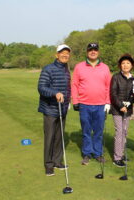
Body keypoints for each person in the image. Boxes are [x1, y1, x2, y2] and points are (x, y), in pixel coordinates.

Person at [71, 43, 111, 165]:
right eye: (90, 50)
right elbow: (74, 84)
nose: (93, 52)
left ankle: (98, 153)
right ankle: (87, 153)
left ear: (98, 52)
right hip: (84, 104)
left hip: (100, 105)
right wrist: (75, 101)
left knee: (98, 131)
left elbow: (109, 86)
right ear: (87, 52)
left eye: (95, 50)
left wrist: (108, 102)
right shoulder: (79, 67)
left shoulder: (105, 67)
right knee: (86, 131)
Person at [38, 44, 71, 176]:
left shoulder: (66, 69)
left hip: (62, 109)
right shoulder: (48, 69)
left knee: (59, 137)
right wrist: (55, 93)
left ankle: (57, 161)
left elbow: (67, 88)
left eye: (67, 53)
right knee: (50, 138)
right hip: (50, 109)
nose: (65, 55)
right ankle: (48, 165)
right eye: (62, 53)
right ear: (56, 55)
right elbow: (41, 87)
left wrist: (68, 99)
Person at [110, 54, 134, 167]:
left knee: (125, 132)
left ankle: (121, 153)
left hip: (128, 109)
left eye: (128, 63)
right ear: (120, 65)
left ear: (132, 65)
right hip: (117, 109)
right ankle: (117, 158)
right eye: (123, 63)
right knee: (119, 131)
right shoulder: (116, 77)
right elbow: (113, 93)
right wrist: (120, 105)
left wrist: (130, 102)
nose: (125, 65)